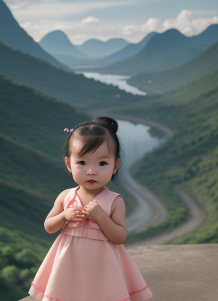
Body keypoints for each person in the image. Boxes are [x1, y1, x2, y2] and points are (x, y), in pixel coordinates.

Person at [28, 117, 153, 301]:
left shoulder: (114, 200)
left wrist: (101, 217)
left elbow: (120, 237)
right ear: (69, 164)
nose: (91, 171)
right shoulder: (66, 196)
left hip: (102, 266)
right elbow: (49, 226)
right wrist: (65, 215)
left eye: (102, 163)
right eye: (82, 163)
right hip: (69, 265)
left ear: (115, 165)